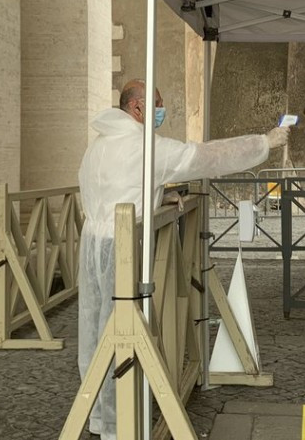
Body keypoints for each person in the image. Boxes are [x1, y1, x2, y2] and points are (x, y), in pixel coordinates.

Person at [78, 79, 290, 439]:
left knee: (94, 334)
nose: (163, 111)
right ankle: (121, 425)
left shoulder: (97, 146)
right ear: (138, 107)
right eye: (157, 104)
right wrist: (263, 143)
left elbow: (116, 191)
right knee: (125, 331)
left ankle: (99, 417)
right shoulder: (145, 147)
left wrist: (156, 198)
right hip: (125, 248)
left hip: (92, 245)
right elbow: (206, 157)